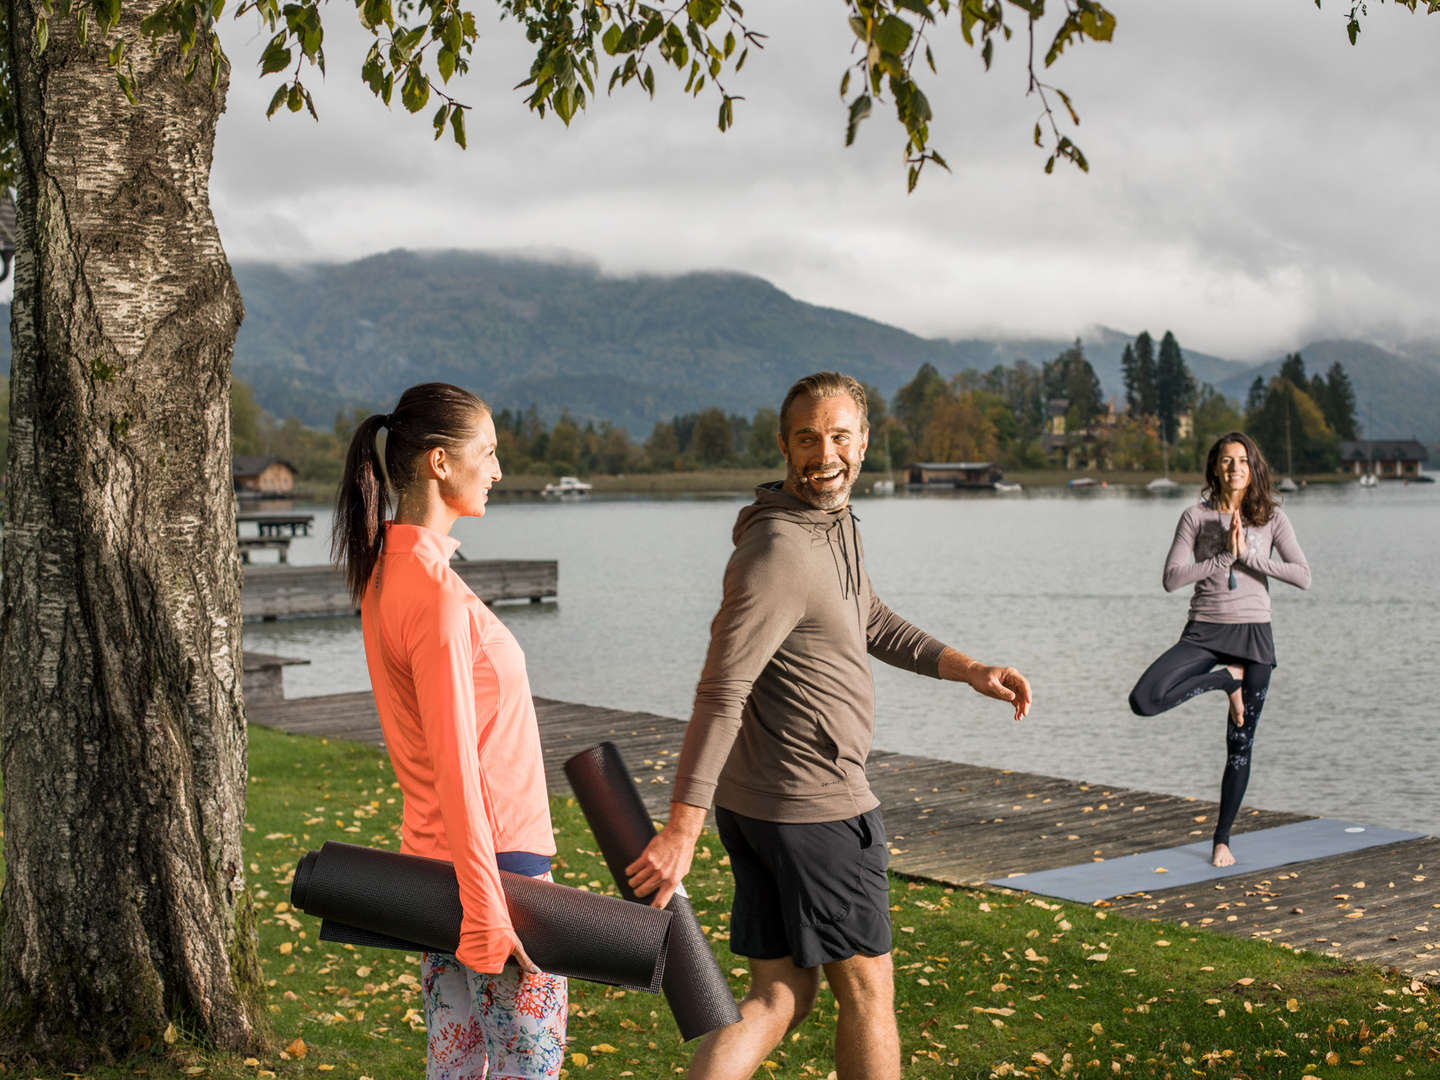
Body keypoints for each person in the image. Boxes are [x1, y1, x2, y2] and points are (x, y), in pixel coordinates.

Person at [625, 372, 1032, 1080]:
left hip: (762, 807)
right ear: (784, 444)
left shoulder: (831, 526)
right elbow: (722, 691)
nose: (824, 453)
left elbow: (867, 616)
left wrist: (967, 668)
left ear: (864, 442)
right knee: (871, 998)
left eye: (839, 436)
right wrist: (680, 832)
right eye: (808, 438)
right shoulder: (778, 553)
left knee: (779, 996)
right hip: (813, 810)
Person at [332, 382, 566, 1080]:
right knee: (529, 1071)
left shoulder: (384, 575)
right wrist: (490, 911)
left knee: (458, 1071)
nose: (497, 471)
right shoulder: (434, 596)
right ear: (439, 462)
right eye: (487, 453)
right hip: (494, 874)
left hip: (437, 872)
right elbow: (457, 764)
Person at [1128, 430, 1311, 868]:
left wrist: (1248, 555)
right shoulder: (1195, 517)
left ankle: (1222, 840)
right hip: (1205, 633)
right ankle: (1224, 681)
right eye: (1227, 461)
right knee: (1144, 699)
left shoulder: (1272, 518)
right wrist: (1222, 560)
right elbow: (1172, 579)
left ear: (1253, 468)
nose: (1235, 468)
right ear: (1215, 467)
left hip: (1253, 638)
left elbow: (1303, 575)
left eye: (1243, 461)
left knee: (1240, 743)